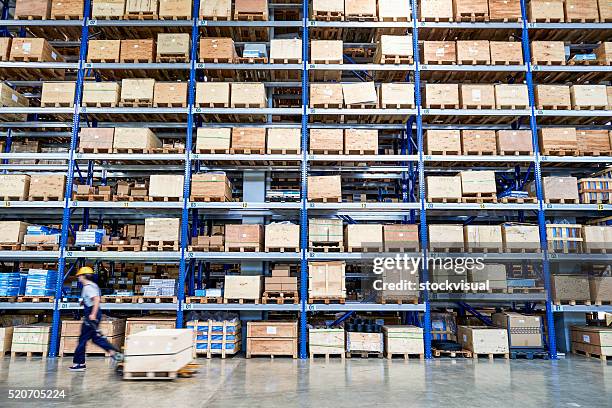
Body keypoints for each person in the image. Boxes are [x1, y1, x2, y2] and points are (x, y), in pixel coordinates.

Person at [69, 266, 123, 371]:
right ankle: (114, 353)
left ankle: (79, 363)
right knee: (95, 338)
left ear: (84, 276)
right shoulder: (92, 286)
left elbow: (97, 300)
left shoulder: (88, 287)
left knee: (83, 339)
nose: (78, 278)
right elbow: (93, 298)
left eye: (80, 276)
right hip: (91, 313)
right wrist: (84, 301)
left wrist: (93, 314)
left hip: (91, 314)